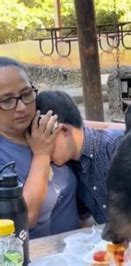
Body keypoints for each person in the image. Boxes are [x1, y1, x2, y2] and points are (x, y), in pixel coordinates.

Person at [36, 90, 131, 225]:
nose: (42, 150)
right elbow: (86, 219)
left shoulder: (117, 148)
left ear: (64, 130)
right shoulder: (71, 168)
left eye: (45, 141)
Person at [0, 57, 79, 238]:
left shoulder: (44, 128)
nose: (21, 107)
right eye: (7, 101)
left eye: (27, 94)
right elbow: (24, 218)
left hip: (77, 250)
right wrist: (42, 155)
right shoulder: (4, 155)